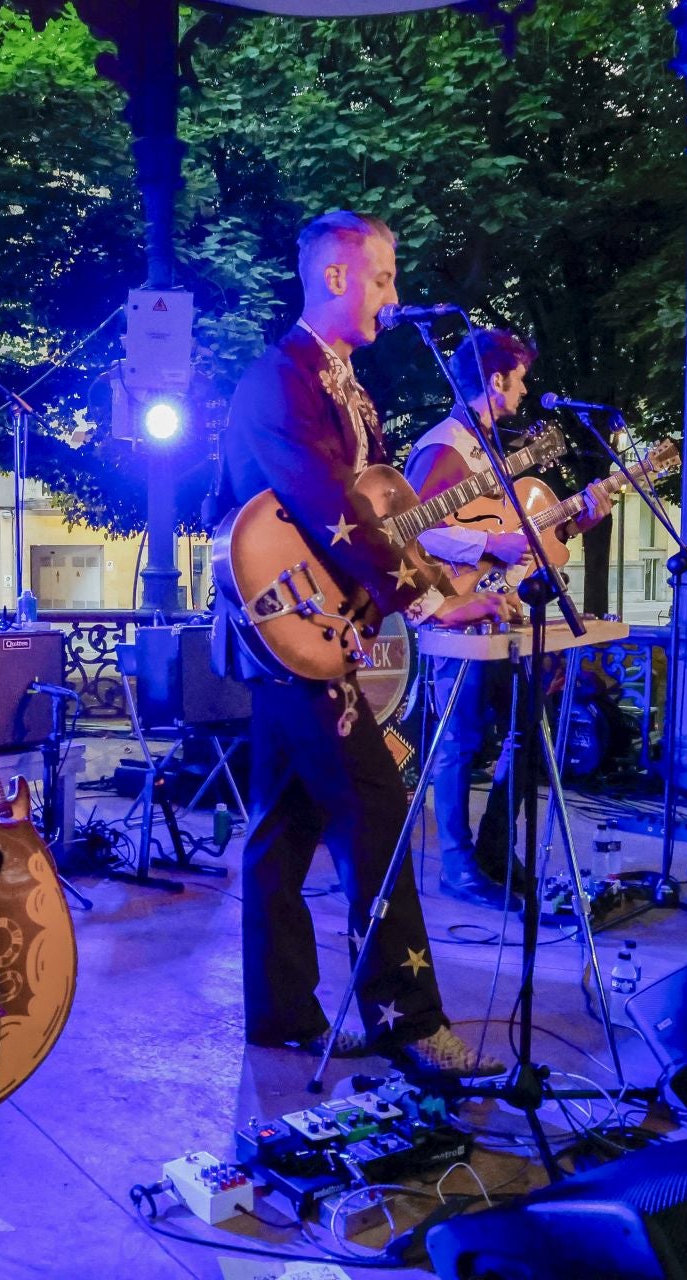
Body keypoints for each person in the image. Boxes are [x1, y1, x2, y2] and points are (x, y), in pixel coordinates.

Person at [214, 209, 505, 1079]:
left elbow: (378, 514)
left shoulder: (351, 388)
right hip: (291, 639)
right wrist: (423, 601)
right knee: (376, 810)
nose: (394, 295)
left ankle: (279, 1014)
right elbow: (320, 506)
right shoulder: (281, 378)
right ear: (335, 277)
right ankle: (406, 1018)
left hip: (314, 637)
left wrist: (437, 581)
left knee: (282, 826)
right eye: (382, 277)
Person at [402, 328, 605, 907]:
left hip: (500, 616)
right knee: (460, 741)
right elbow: (413, 531)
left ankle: (493, 850)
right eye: (519, 379)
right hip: (455, 616)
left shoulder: (489, 448)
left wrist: (574, 522)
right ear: (495, 379)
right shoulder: (444, 447)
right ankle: (458, 866)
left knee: (526, 732)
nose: (523, 391)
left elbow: (516, 536)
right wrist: (490, 542)